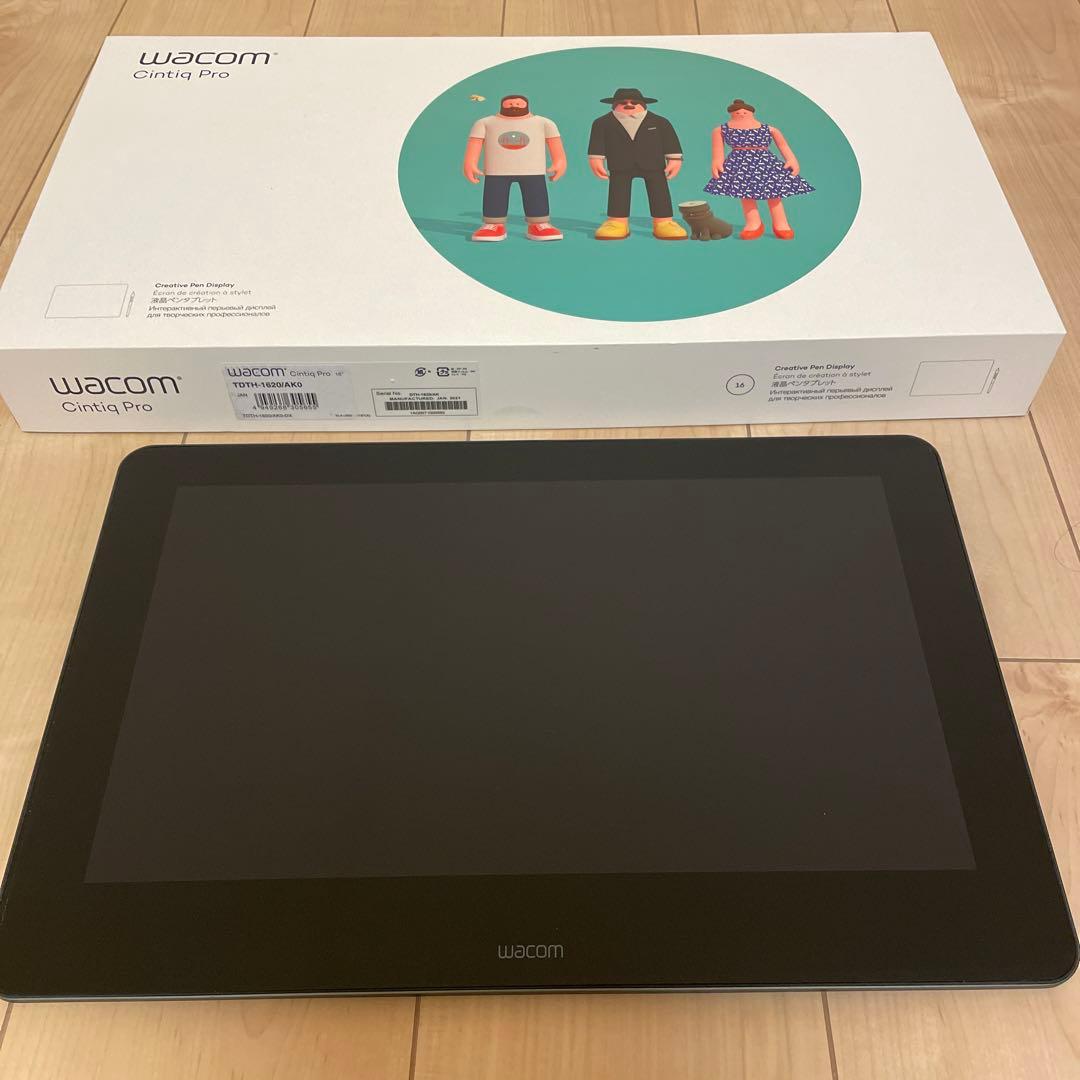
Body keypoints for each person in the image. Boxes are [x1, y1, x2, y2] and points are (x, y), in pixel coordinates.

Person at [703, 98, 815, 240]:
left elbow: (783, 145)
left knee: (774, 192)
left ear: (751, 112)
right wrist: (717, 161)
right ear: (731, 114)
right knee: (745, 193)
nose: (741, 114)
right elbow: (718, 149)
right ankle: (753, 223)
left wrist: (791, 159)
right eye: (737, 112)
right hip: (739, 164)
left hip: (766, 163)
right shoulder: (721, 129)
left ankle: (781, 223)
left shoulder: (769, 129)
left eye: (744, 112)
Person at [463, 94, 566, 242]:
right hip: (497, 169)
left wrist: (560, 161)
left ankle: (539, 223)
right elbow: (475, 143)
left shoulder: (543, 123)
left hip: (533, 169)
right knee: (494, 196)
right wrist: (470, 163)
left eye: (518, 104)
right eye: (510, 104)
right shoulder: (485, 123)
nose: (514, 106)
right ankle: (493, 224)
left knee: (536, 195)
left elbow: (554, 143)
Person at [587, 88, 687, 241]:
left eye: (634, 102)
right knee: (618, 191)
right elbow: (597, 143)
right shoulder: (602, 123)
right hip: (620, 164)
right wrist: (596, 159)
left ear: (643, 104)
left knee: (659, 191)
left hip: (653, 164)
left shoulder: (660, 122)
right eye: (623, 102)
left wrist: (675, 159)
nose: (629, 105)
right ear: (614, 105)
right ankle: (617, 222)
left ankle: (664, 221)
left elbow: (670, 141)